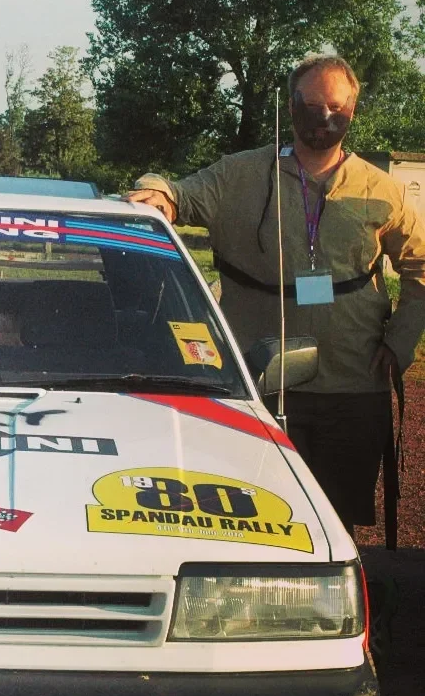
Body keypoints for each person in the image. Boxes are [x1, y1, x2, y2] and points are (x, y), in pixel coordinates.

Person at [126, 54, 425, 541]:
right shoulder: (239, 175)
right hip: (253, 383)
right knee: (242, 516)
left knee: (334, 521)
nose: (325, 116)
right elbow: (176, 192)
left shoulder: (380, 189)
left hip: (351, 381)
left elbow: (421, 266)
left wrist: (402, 340)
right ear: (291, 106)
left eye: (337, 106)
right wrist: (154, 195)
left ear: (352, 110)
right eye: (312, 104)